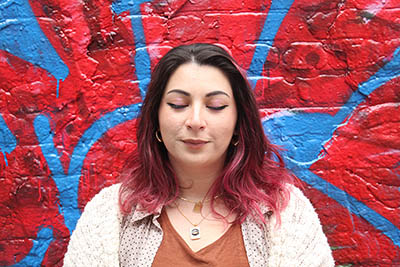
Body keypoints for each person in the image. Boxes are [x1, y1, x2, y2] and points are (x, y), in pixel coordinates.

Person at [63, 43, 334, 267]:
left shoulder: (285, 213)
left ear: (239, 122)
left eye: (215, 106)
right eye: (178, 104)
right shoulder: (110, 214)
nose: (195, 120)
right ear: (156, 118)